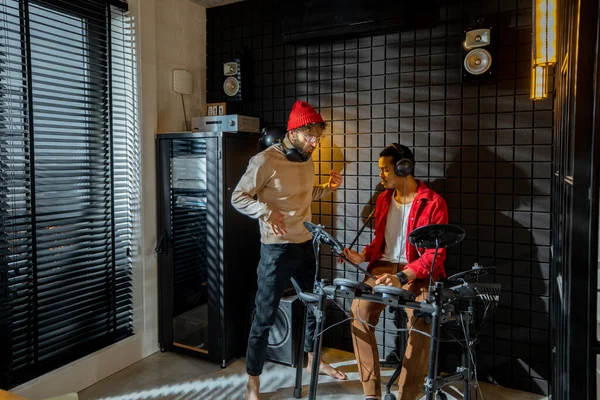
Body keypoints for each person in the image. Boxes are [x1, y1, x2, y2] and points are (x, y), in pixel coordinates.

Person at [232, 101, 347, 400]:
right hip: (276, 250)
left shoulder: (306, 159)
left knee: (314, 307)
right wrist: (266, 212)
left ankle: (312, 361)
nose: (314, 143)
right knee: (265, 315)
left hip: (304, 244)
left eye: (317, 138)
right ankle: (252, 381)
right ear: (294, 131)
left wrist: (327, 186)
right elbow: (238, 197)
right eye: (310, 137)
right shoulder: (264, 161)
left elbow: (306, 194)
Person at [339, 143, 449, 400]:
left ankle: (407, 395)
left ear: (404, 167)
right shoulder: (383, 199)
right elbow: (381, 240)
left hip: (416, 272)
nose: (381, 175)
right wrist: (363, 255)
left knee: (422, 318)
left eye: (385, 170)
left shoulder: (433, 203)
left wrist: (402, 277)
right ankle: (371, 394)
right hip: (382, 267)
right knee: (359, 311)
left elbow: (436, 255)